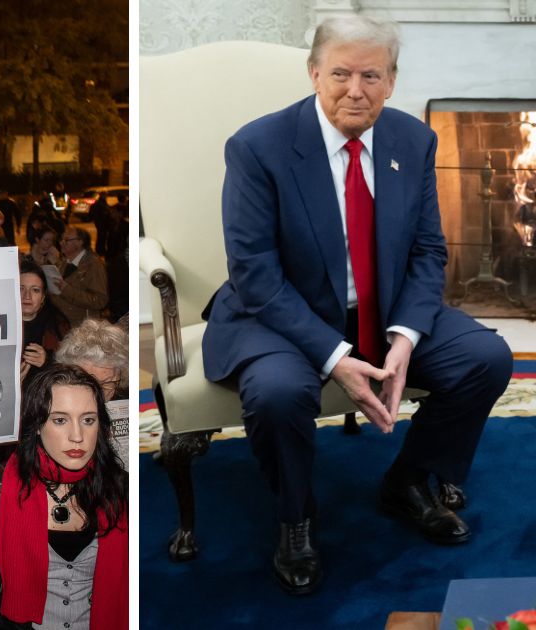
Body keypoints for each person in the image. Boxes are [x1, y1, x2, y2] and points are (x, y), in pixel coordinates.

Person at [201, 16, 513, 595]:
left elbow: (427, 248)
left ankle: (408, 480)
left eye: (371, 75)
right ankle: (295, 518)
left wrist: (404, 338)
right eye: (340, 73)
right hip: (281, 314)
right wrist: (334, 356)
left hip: (383, 308)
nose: (355, 89)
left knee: (486, 358)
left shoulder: (412, 140)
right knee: (277, 393)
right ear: (314, 73)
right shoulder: (258, 147)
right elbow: (254, 273)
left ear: (391, 81)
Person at [0, 364, 128, 629]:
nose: (77, 436)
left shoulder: (119, 488)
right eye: (60, 420)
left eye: (88, 420)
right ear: (36, 425)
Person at [58, 319, 131, 469]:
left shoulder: (127, 400)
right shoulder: (53, 401)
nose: (100, 391)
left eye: (109, 382)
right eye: (90, 382)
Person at [18, 261, 72, 384]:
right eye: (21, 288)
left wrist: (48, 361)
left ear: (43, 297)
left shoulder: (58, 325)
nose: (27, 296)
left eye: (35, 290)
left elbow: (72, 369)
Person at [49, 227, 109, 326]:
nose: (61, 243)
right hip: (63, 324)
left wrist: (67, 290)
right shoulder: (64, 262)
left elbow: (100, 301)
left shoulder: (93, 265)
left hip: (82, 327)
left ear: (80, 242)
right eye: (61, 239)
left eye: (67, 240)